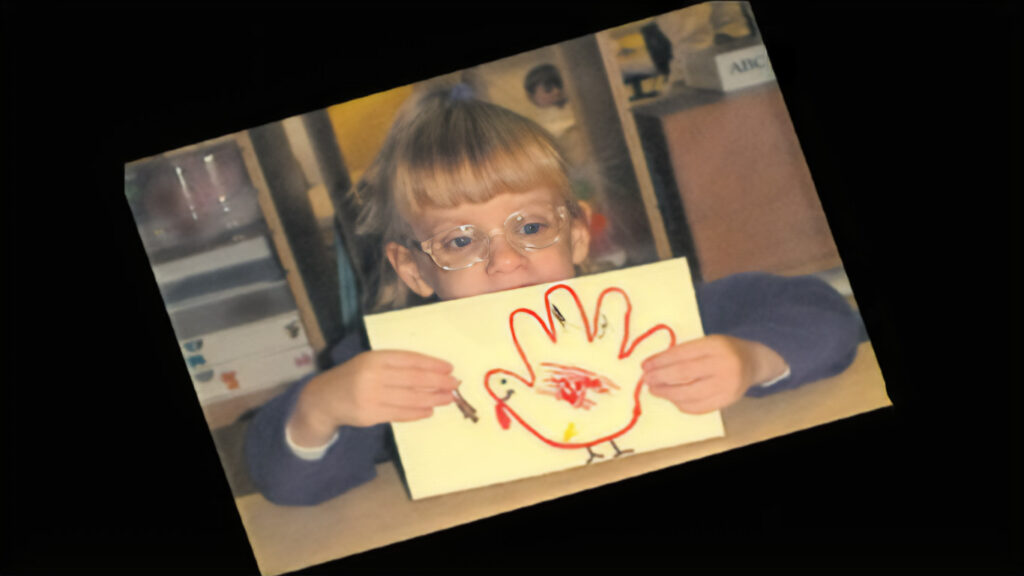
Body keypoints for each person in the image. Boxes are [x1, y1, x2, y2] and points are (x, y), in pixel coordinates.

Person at [244, 84, 861, 506]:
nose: (506, 260)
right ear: (414, 271)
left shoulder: (642, 317)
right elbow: (286, 486)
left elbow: (825, 315)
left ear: (577, 232)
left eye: (531, 229)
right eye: (460, 242)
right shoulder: (392, 365)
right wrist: (321, 407)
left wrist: (749, 358)